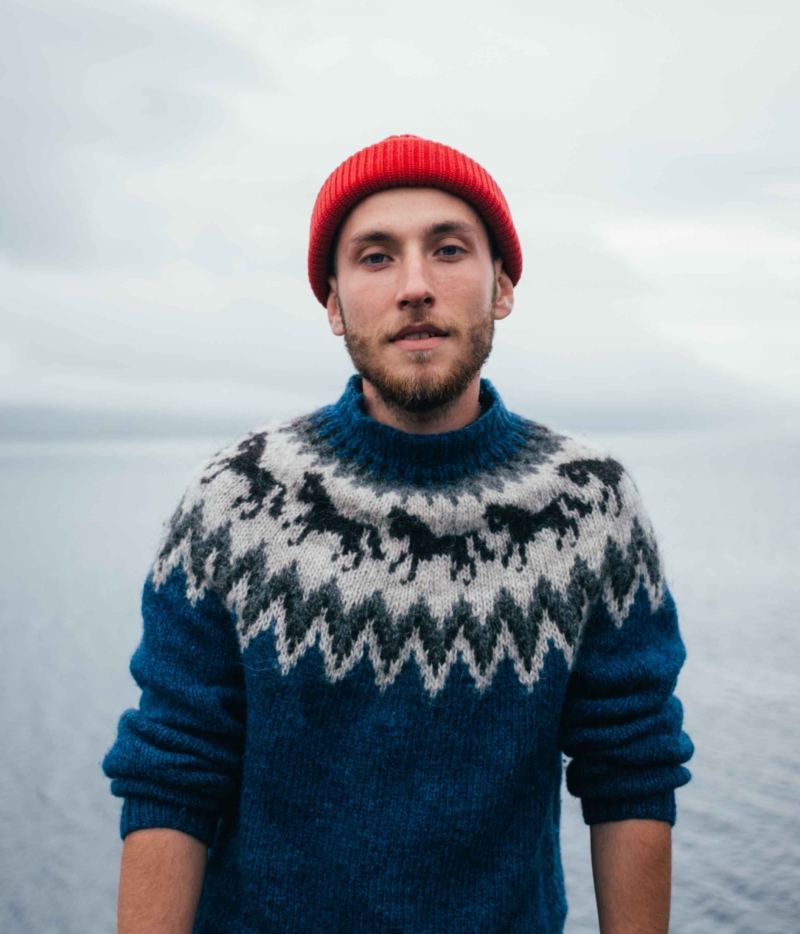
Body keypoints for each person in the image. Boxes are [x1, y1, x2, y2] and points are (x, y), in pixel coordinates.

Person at [102, 134, 694, 934]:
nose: (416, 286)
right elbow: (174, 769)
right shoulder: (235, 503)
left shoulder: (589, 508)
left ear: (503, 286)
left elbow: (631, 765)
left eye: (448, 250)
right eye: (376, 258)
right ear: (335, 304)